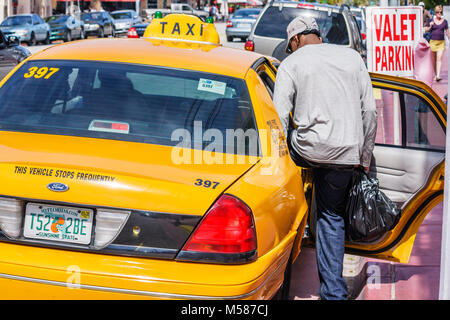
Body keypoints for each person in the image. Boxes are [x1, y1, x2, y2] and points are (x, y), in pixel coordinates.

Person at [273, 16, 377, 300]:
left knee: (295, 147)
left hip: (308, 150)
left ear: (295, 41)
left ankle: (299, 212)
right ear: (318, 35)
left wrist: (275, 164)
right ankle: (333, 293)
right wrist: (363, 158)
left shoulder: (291, 64)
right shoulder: (352, 57)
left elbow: (279, 118)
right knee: (332, 216)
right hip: (346, 152)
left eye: (291, 46)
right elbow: (370, 112)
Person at [425, 5, 450, 81]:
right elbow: (426, 30)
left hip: (441, 43)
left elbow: (447, 32)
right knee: (433, 60)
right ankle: (435, 74)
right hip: (432, 42)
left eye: (440, 12)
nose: (439, 13)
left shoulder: (445, 21)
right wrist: (430, 25)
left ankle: (438, 75)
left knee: (439, 58)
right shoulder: (431, 20)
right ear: (435, 13)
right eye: (437, 12)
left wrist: (449, 37)